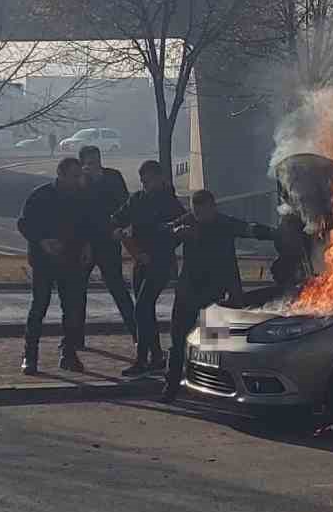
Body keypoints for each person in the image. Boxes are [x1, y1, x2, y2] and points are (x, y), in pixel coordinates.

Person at [161, 189, 278, 402]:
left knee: (212, 344)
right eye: (196, 212)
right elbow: (165, 231)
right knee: (177, 339)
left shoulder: (224, 224)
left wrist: (275, 234)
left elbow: (249, 229)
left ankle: (211, 388)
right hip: (188, 290)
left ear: (212, 207)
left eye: (203, 211)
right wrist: (176, 231)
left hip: (215, 292)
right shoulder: (188, 221)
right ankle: (171, 386)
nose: (200, 217)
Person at [16, 157, 98, 374]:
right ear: (60, 174)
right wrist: (42, 241)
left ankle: (68, 353)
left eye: (79, 176)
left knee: (71, 309)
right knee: (39, 306)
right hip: (44, 260)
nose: (77, 180)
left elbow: (87, 224)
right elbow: (24, 223)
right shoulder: (40, 195)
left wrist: (87, 246)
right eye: (74, 176)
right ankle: (30, 354)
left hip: (70, 259)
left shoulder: (81, 197)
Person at [111, 159, 185, 376]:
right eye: (143, 181)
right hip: (139, 260)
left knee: (142, 307)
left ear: (160, 178)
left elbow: (178, 233)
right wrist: (116, 228)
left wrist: (158, 250)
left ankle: (143, 359)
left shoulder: (170, 203)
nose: (145, 184)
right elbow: (118, 217)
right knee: (144, 310)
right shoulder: (137, 199)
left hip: (160, 262)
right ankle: (156, 355)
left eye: (149, 180)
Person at [78, 144, 134, 346]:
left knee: (117, 287)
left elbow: (125, 204)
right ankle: (75, 339)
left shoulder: (113, 177)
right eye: (90, 163)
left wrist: (123, 227)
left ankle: (137, 334)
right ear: (83, 164)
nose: (95, 167)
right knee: (77, 292)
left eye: (97, 162)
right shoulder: (79, 183)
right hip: (84, 244)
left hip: (108, 240)